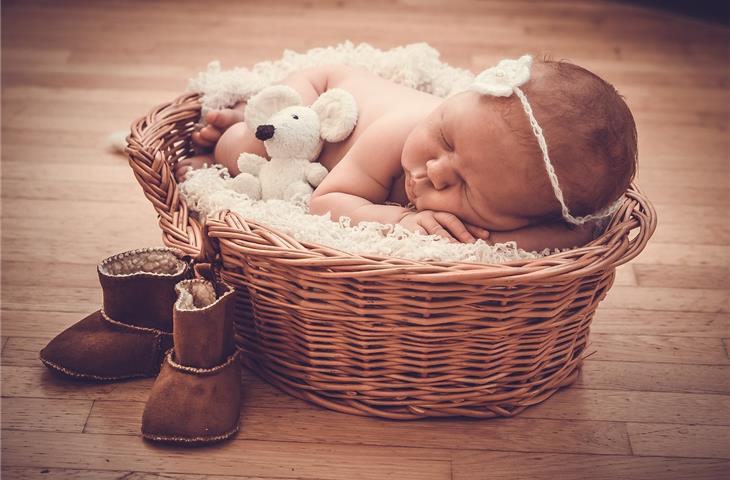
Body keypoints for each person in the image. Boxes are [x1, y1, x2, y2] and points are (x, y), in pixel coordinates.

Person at [174, 55, 636, 252]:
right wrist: (398, 220)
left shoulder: (517, 201)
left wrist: (572, 235)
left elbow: (565, 234)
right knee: (242, 148)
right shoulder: (402, 131)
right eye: (446, 140)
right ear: (452, 105)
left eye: (468, 190)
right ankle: (236, 118)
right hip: (322, 97)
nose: (433, 171)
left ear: (518, 215)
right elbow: (327, 201)